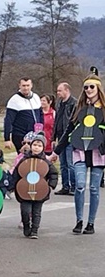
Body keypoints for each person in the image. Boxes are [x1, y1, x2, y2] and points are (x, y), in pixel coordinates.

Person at [53, 70, 105, 234]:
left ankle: (91, 223)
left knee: (95, 189)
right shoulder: (79, 107)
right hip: (80, 151)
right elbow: (69, 129)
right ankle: (79, 220)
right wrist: (56, 151)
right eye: (86, 87)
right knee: (80, 186)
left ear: (98, 88)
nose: (88, 90)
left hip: (98, 153)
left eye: (92, 87)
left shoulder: (104, 109)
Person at [12, 134, 57, 238]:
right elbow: (16, 173)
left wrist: (50, 186)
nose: (36, 147)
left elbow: (53, 174)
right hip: (24, 191)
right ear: (31, 146)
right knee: (25, 211)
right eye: (35, 145)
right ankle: (26, 226)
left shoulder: (46, 162)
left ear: (43, 148)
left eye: (39, 145)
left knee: (36, 212)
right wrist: (13, 186)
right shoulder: (24, 160)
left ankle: (34, 230)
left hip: (40, 191)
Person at [4, 78, 42, 152]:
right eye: (23, 85)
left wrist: (41, 130)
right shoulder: (14, 100)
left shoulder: (36, 97)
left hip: (35, 134)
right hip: (20, 135)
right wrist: (7, 138)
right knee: (24, 159)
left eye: (28, 85)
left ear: (31, 85)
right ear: (19, 86)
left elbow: (41, 115)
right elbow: (8, 120)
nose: (26, 88)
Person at [53, 82, 76, 195]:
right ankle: (65, 186)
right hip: (60, 136)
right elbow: (56, 121)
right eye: (57, 91)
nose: (58, 93)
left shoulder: (73, 103)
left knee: (70, 163)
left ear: (67, 90)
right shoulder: (59, 104)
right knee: (63, 164)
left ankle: (73, 186)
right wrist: (54, 137)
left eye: (60, 90)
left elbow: (72, 122)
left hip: (70, 138)